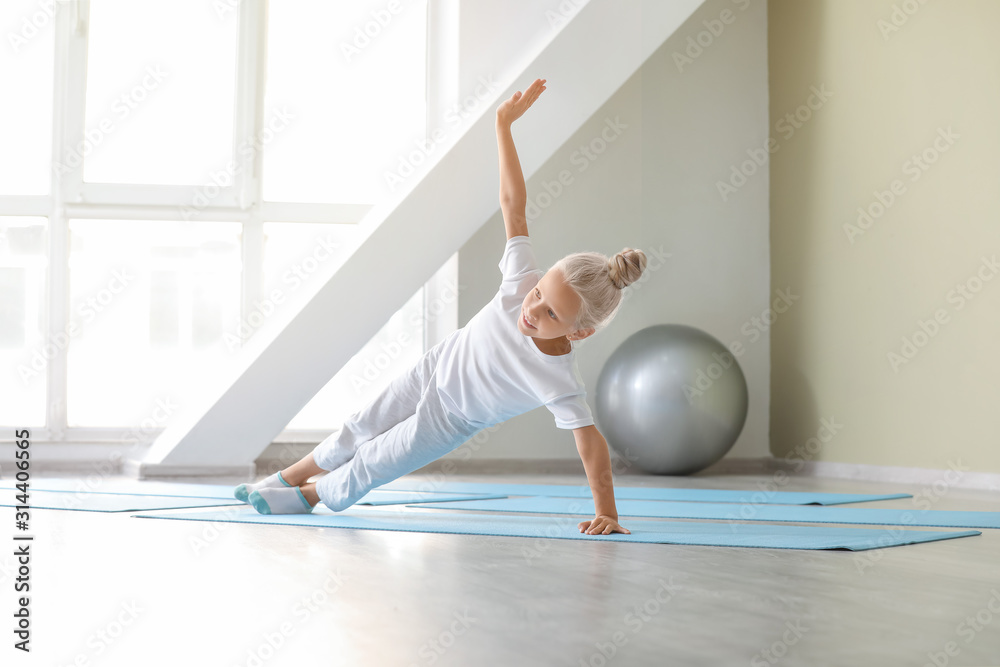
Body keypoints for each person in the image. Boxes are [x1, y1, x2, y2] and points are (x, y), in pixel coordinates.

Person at [234, 78, 645, 536]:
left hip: (451, 419)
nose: (532, 309)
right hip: (435, 366)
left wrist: (606, 510)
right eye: (539, 295)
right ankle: (290, 474)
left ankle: (308, 496)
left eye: (552, 315)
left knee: (375, 462)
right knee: (360, 425)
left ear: (578, 333)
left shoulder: (558, 380)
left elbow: (590, 443)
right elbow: (514, 205)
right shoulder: (519, 281)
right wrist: (502, 126)